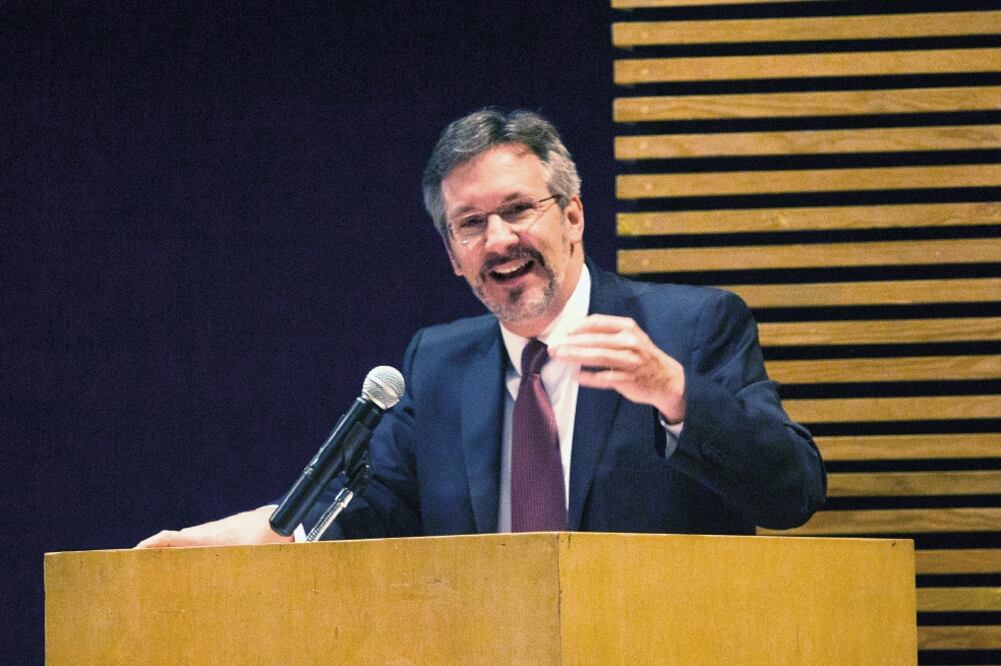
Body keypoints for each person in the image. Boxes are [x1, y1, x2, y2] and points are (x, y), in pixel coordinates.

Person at [137, 109, 825, 548]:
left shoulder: (690, 327)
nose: (499, 240)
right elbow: (358, 509)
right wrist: (209, 540)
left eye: (519, 209)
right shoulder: (439, 364)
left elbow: (793, 492)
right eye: (470, 224)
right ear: (451, 254)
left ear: (574, 216)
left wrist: (675, 393)